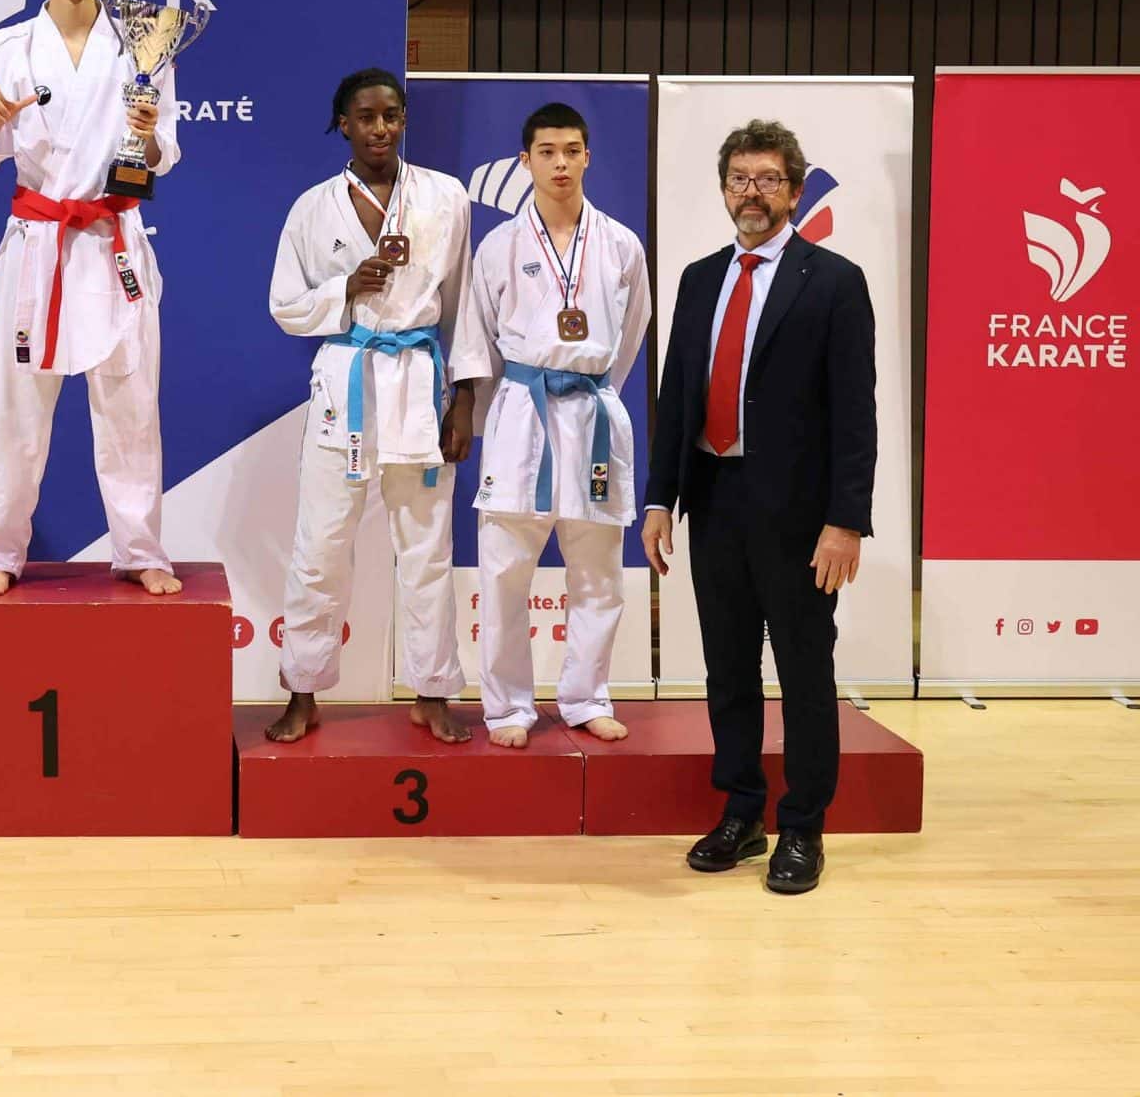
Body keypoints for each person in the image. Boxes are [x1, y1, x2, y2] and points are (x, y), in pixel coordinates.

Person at [643, 119, 876, 896]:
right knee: (728, 671)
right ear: (723, 189)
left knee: (804, 672)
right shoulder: (700, 277)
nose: (753, 192)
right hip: (714, 499)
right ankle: (742, 811)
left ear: (796, 190)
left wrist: (846, 520)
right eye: (740, 178)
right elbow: (678, 394)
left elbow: (855, 414)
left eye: (768, 178)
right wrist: (658, 497)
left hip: (801, 519)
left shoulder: (835, 281)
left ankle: (804, 824)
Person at [0, 0, 183, 597]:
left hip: (113, 239)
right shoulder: (2, 51)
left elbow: (161, 156)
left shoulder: (145, 46)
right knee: (17, 405)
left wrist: (143, 132)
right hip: (38, 244)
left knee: (132, 405)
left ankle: (140, 548)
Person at [263, 69, 493, 744]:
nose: (381, 128)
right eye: (366, 117)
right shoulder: (312, 208)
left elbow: (467, 303)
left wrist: (465, 400)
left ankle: (431, 690)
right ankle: (302, 691)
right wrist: (343, 289)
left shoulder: (446, 197)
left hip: (422, 384)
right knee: (319, 549)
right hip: (348, 381)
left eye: (392, 115)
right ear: (343, 124)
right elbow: (284, 305)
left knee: (426, 549)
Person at [470, 104, 650, 747]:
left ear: (588, 157)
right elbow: (478, 339)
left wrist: (594, 389)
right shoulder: (498, 245)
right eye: (546, 152)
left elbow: (629, 339)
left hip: (593, 415)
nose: (560, 164)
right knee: (503, 573)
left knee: (599, 573)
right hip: (522, 412)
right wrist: (499, 410)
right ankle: (508, 706)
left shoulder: (621, 243)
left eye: (572, 151)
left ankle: (585, 695)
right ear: (525, 161)